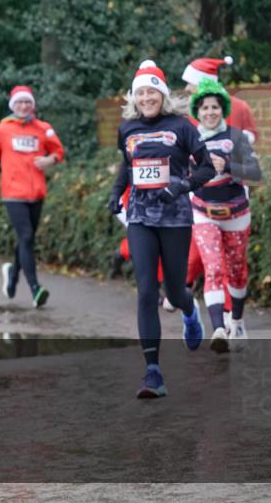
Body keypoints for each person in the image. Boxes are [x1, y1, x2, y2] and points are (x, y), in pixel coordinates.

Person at [108, 60, 216, 399]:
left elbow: (207, 169)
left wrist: (181, 186)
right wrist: (115, 194)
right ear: (134, 97)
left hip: (175, 216)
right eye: (140, 92)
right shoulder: (127, 129)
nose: (145, 97)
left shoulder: (182, 126)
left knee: (173, 290)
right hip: (140, 216)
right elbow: (127, 168)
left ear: (162, 94)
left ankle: (189, 309)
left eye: (151, 91)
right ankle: (152, 372)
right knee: (145, 291)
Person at [181, 56, 260, 320]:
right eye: (204, 108)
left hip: (235, 197)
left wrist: (227, 161)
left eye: (189, 84)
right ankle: (216, 316)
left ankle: (230, 313)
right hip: (201, 201)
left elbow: (250, 144)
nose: (186, 89)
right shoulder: (191, 114)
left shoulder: (237, 109)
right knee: (210, 259)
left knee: (231, 263)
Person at [0, 86, 64, 307]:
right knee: (26, 236)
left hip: (37, 192)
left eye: (27, 102)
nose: (24, 106)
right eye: (19, 103)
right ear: (13, 105)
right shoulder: (2, 129)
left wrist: (50, 161)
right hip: (13, 193)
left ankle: (12, 274)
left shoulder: (43, 129)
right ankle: (36, 289)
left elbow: (58, 151)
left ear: (32, 105)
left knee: (25, 239)